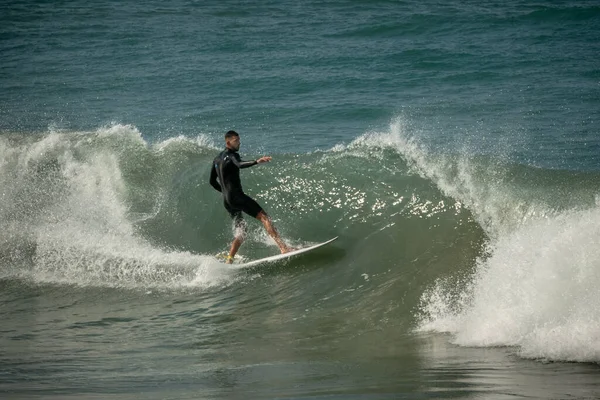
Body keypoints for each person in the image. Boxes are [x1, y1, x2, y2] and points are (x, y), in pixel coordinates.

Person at [209, 130, 293, 263]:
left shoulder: (217, 159)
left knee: (242, 231)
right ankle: (283, 248)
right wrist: (256, 161)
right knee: (264, 217)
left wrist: (225, 192)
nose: (239, 143)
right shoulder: (232, 155)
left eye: (239, 140)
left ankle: (230, 258)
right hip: (237, 197)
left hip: (227, 201)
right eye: (236, 141)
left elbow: (212, 182)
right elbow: (239, 164)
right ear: (228, 142)